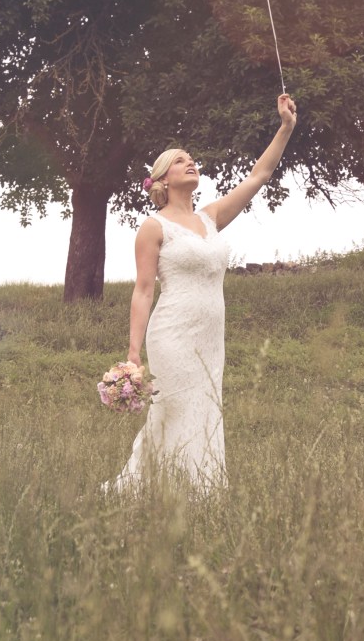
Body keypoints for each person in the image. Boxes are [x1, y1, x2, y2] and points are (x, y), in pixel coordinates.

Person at [115, 93, 297, 491]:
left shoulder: (210, 217)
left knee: (204, 409)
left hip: (211, 338)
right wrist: (133, 353)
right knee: (173, 408)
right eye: (179, 160)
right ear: (163, 179)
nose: (190, 162)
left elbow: (258, 176)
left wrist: (285, 127)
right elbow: (143, 291)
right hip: (173, 334)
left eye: (191, 158)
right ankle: (147, 488)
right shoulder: (153, 227)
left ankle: (200, 491)